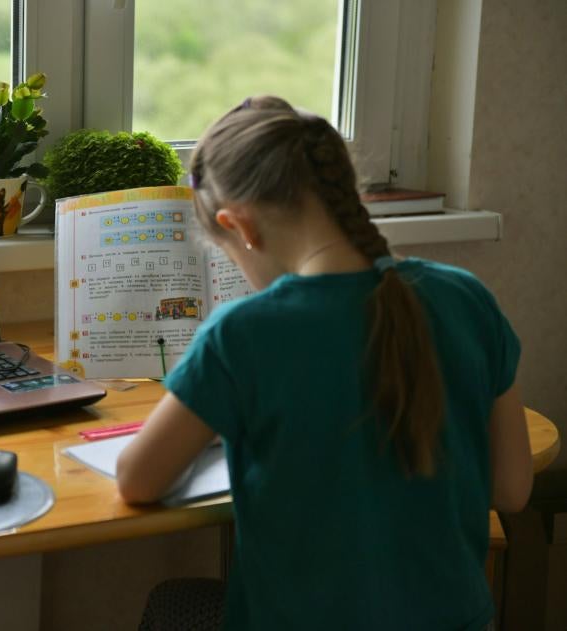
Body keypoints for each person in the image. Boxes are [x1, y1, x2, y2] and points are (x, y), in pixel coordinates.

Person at [116, 96, 534, 630]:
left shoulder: (242, 334)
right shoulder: (468, 298)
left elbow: (137, 480)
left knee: (172, 604)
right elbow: (511, 489)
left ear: (240, 226)